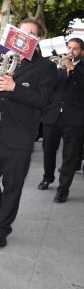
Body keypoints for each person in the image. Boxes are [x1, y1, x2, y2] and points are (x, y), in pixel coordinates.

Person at [0, 18, 56, 248]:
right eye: (22, 31)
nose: (25, 36)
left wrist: (15, 88)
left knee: (13, 185)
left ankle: (2, 228)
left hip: (19, 135)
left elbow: (43, 101)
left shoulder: (46, 67)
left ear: (37, 39)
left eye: (31, 34)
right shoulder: (1, 56)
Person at [37, 37, 84, 203]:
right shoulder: (57, 66)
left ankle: (63, 189)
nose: (71, 51)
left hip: (75, 118)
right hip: (53, 115)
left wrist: (74, 69)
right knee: (48, 149)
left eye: (75, 49)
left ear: (82, 52)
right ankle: (47, 177)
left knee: (69, 155)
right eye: (69, 47)